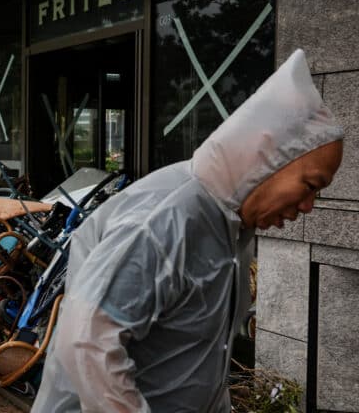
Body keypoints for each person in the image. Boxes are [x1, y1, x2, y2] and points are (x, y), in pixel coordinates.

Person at [31, 48, 344, 412]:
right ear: (269, 156)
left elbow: (198, 358)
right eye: (310, 185)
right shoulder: (165, 218)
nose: (308, 206)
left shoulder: (227, 225)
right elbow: (86, 342)